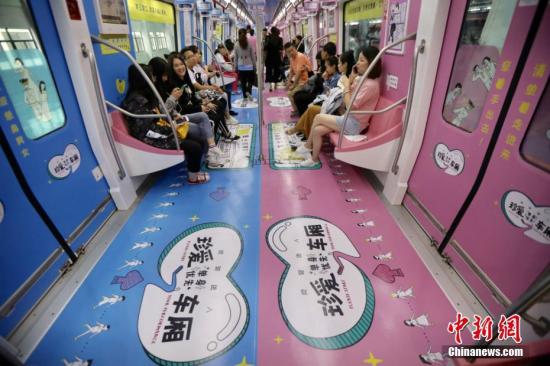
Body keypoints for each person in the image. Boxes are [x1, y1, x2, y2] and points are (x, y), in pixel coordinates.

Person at [122, 64, 210, 184]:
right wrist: (172, 130)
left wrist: (172, 124)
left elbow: (159, 117)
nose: (154, 79)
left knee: (198, 139)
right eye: (151, 76)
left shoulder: (146, 96)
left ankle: (194, 170)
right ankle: (193, 178)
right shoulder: (136, 102)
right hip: (153, 138)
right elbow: (147, 130)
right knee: (194, 147)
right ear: (143, 79)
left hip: (162, 130)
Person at [297, 46, 382, 167]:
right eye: (358, 59)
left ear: (372, 63)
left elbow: (349, 105)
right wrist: (352, 80)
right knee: (317, 130)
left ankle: (307, 146)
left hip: (354, 124)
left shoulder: (371, 85)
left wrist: (347, 83)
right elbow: (349, 96)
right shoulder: (363, 80)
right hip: (348, 119)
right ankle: (314, 159)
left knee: (319, 117)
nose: (358, 63)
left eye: (362, 60)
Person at [149, 57, 224, 165]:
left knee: (205, 115)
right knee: (205, 125)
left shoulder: (178, 82)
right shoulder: (160, 89)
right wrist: (173, 99)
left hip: (177, 117)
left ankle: (212, 148)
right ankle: (210, 155)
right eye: (164, 75)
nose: (166, 78)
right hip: (170, 123)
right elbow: (164, 112)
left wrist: (177, 112)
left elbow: (179, 106)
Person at [166, 54, 238, 142]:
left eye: (181, 64)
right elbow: (181, 108)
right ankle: (216, 139)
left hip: (195, 104)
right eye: (176, 66)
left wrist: (204, 103)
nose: (180, 67)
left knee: (219, 101)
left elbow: (192, 97)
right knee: (215, 111)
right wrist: (200, 107)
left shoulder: (186, 79)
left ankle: (222, 133)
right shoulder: (175, 88)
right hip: (186, 113)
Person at [286, 51, 354, 138]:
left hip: (334, 106)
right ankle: (301, 130)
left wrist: (325, 81)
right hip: (328, 101)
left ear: (345, 64)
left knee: (310, 108)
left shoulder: (341, 78)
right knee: (305, 102)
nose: (338, 65)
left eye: (340, 63)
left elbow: (333, 94)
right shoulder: (338, 76)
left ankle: (299, 130)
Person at [285, 42, 312, 117]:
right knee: (290, 91)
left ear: (295, 48)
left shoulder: (300, 56)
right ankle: (297, 109)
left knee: (290, 93)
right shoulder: (292, 59)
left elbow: (299, 73)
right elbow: (292, 71)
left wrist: (293, 85)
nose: (291, 52)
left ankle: (297, 110)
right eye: (289, 51)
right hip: (299, 81)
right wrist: (288, 81)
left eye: (292, 50)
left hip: (305, 81)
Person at [234, 28, 257, 102]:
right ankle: (248, 92)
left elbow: (236, 57)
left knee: (243, 82)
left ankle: (244, 97)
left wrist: (235, 67)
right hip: (249, 65)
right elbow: (252, 56)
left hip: (241, 66)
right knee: (250, 81)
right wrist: (254, 66)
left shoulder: (236, 44)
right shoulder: (249, 43)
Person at [264, 26, 283, 92]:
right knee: (276, 71)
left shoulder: (268, 38)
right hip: (277, 57)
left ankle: (270, 86)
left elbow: (265, 48)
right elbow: (281, 49)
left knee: (269, 71)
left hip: (269, 57)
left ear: (271, 31)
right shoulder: (280, 39)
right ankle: (275, 85)